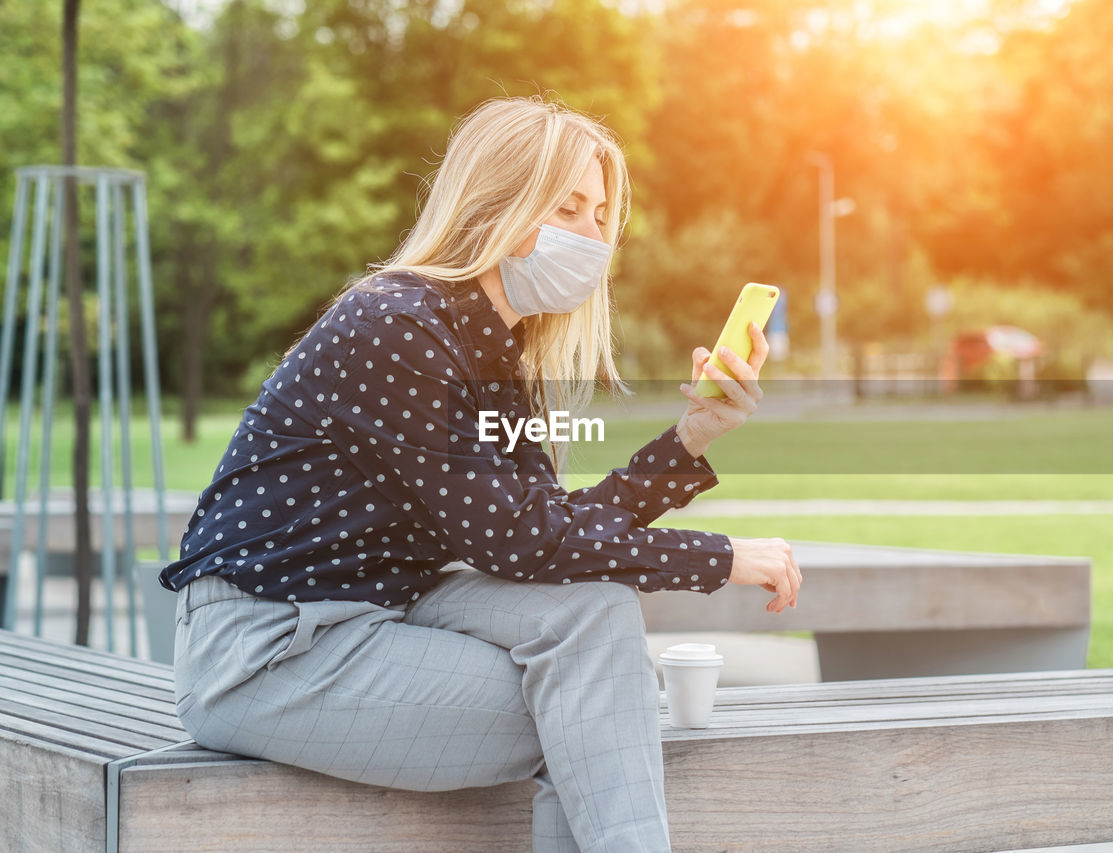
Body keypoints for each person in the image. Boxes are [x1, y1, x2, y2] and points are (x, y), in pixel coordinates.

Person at [159, 96, 801, 853]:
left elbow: (554, 530)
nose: (595, 237)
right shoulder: (397, 326)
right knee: (594, 714)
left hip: (377, 613)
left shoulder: (493, 353)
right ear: (500, 206)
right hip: (267, 649)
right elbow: (521, 542)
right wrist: (718, 558)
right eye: (569, 208)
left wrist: (692, 438)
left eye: (600, 215)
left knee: (595, 619)